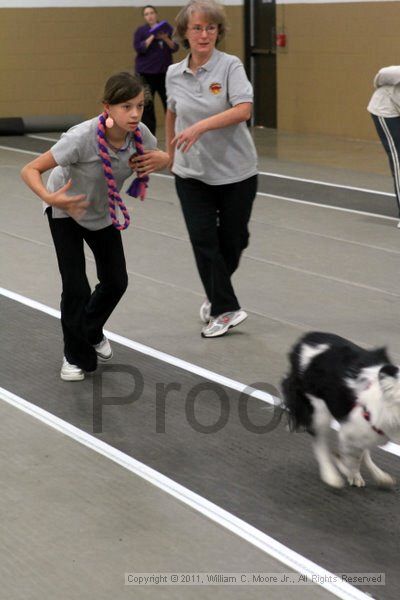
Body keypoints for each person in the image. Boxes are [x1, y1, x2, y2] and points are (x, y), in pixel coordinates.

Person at [21, 72, 170, 381]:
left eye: (140, 106)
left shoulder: (140, 135)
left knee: (116, 281)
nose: (134, 114)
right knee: (76, 286)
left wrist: (165, 159)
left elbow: (160, 157)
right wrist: (51, 197)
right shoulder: (82, 137)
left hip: (101, 212)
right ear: (107, 107)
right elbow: (30, 169)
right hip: (65, 210)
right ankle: (73, 356)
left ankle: (89, 329)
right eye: (126, 107)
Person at [165, 0, 258, 338]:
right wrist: (170, 151)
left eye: (210, 28)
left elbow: (244, 109)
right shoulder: (173, 73)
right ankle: (225, 308)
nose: (204, 34)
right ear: (185, 33)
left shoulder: (230, 66)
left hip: (237, 173)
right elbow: (172, 112)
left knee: (234, 239)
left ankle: (215, 294)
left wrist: (201, 127)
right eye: (197, 28)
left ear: (218, 32)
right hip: (192, 174)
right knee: (204, 240)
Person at [134, 5, 179, 134]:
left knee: (169, 103)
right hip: (146, 75)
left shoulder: (166, 30)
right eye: (147, 14)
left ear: (156, 14)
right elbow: (140, 48)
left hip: (164, 74)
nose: (150, 16)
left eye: (152, 13)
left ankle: (174, 132)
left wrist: (165, 38)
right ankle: (149, 137)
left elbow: (175, 47)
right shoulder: (141, 31)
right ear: (144, 17)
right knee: (148, 107)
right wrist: (153, 35)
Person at [367, 65, 400, 227]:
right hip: (385, 108)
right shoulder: (396, 73)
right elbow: (382, 74)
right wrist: (382, 88)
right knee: (398, 157)